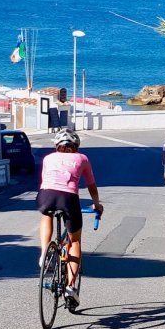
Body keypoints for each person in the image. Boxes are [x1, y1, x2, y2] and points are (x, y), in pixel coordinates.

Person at [37, 129, 103, 307]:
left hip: (46, 195)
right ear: (76, 147)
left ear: (57, 146)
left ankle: (44, 253)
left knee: (46, 215)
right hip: (68, 199)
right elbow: (91, 186)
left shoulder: (48, 158)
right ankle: (70, 287)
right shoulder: (82, 158)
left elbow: (47, 181)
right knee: (75, 242)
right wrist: (96, 204)